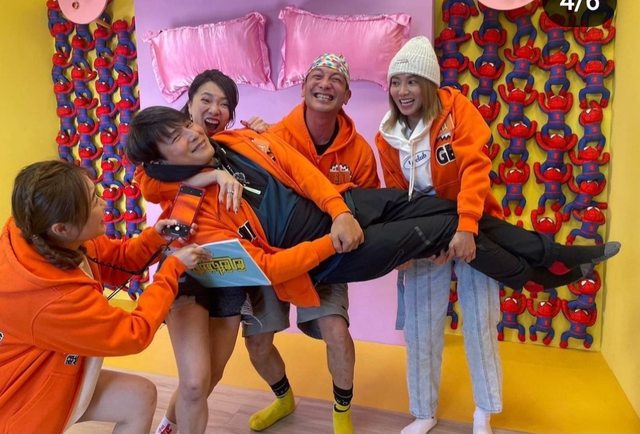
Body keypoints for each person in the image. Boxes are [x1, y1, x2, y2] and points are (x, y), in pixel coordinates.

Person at [126, 106, 620, 308]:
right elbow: (268, 269)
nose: (192, 134)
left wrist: (339, 210)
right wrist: (332, 238)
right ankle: (540, 275)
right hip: (325, 252)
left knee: (449, 208)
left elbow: (302, 170)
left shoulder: (234, 140)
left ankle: (551, 259)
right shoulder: (190, 213)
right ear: (160, 159)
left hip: (341, 207)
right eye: (175, 138)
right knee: (446, 228)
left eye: (186, 125)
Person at [0, 160, 209, 434]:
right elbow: (133, 333)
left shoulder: (43, 231)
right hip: (21, 400)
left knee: (138, 397)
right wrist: (171, 270)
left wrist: (154, 239)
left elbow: (117, 260)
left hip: (53, 373)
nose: (104, 204)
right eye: (93, 201)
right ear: (61, 228)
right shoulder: (51, 297)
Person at [243, 53, 379, 434]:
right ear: (302, 88)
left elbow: (369, 208)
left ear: (347, 95)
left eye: (336, 79)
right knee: (257, 342)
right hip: (272, 254)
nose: (325, 84)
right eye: (317, 76)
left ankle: (341, 413)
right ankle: (283, 399)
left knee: (337, 333)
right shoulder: (272, 138)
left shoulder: (360, 152)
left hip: (324, 258)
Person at [375, 35, 501, 434]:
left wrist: (466, 226)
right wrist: (413, 246)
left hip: (471, 224)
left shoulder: (457, 109)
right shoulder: (386, 134)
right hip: (424, 232)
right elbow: (398, 196)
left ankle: (484, 409)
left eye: (412, 81)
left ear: (429, 84)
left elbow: (475, 167)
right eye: (396, 82)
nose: (402, 91)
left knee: (480, 319)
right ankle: (423, 411)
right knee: (420, 325)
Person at [145, 70, 267, 434]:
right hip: (185, 265)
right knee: (195, 382)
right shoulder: (168, 146)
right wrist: (211, 176)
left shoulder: (232, 147)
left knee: (211, 375)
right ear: (189, 103)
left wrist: (264, 134)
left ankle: (169, 425)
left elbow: (276, 166)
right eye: (207, 100)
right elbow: (150, 185)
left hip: (231, 268)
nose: (215, 109)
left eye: (225, 104)